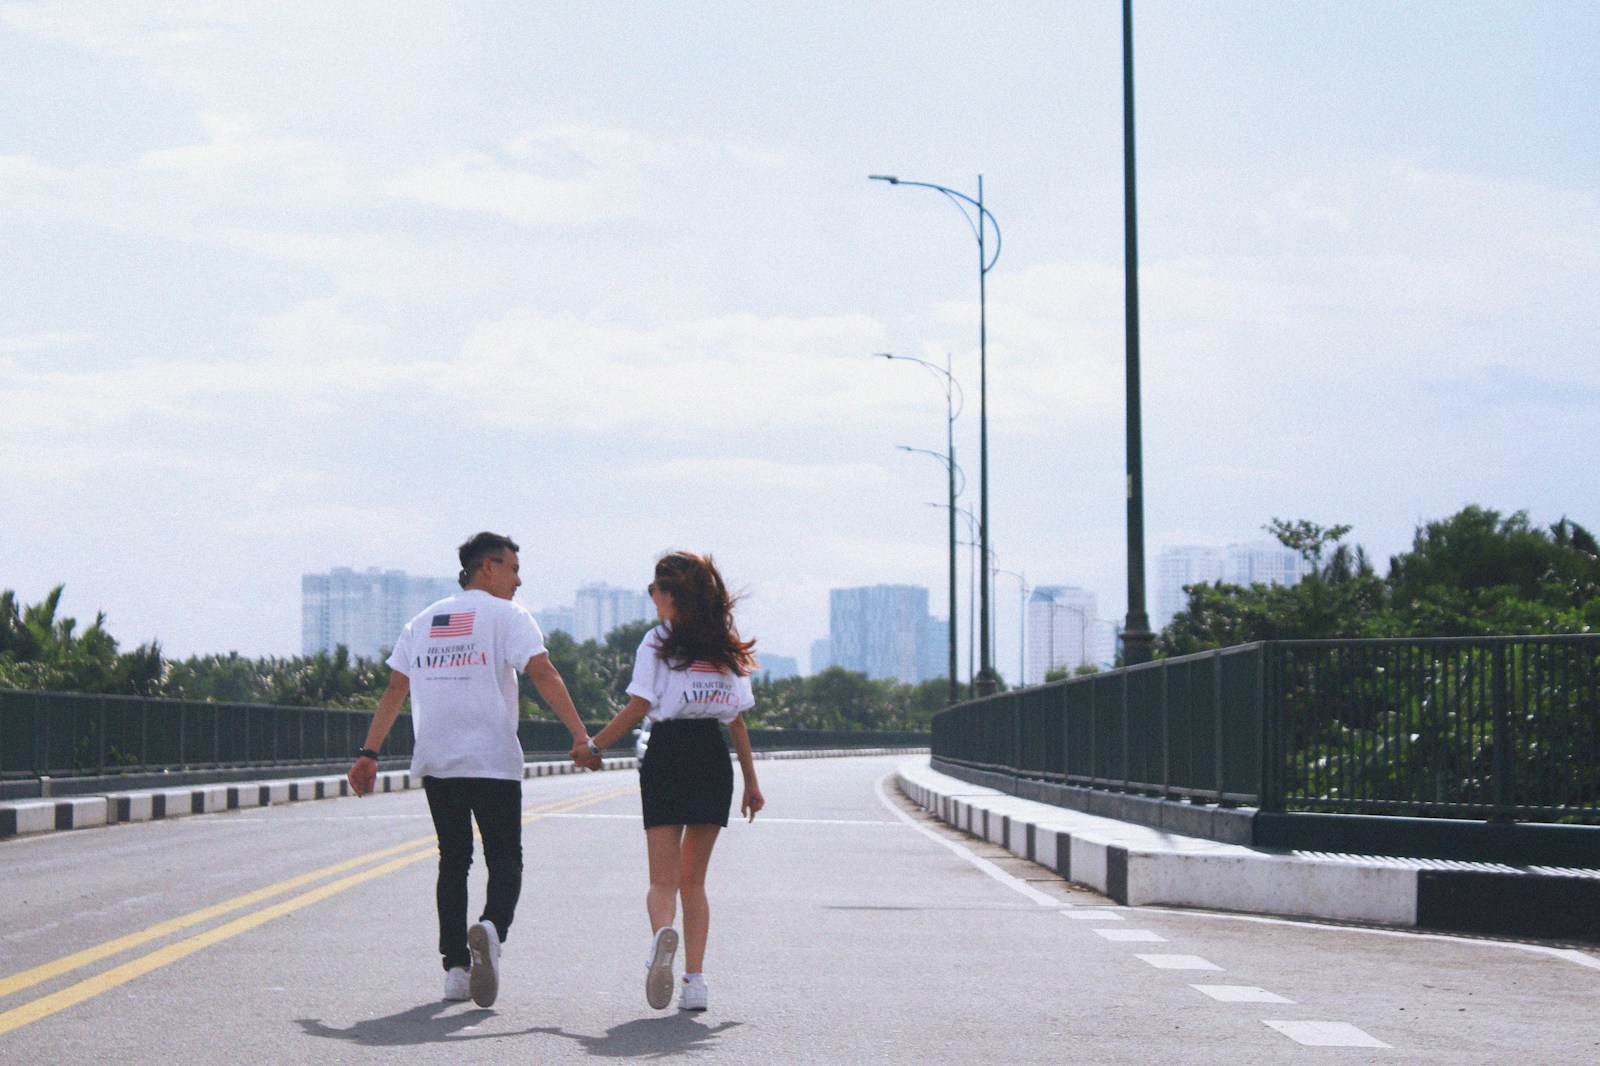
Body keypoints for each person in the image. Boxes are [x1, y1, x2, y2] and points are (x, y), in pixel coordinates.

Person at [348, 532, 592, 1008]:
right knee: (505, 860)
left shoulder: (424, 620)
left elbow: (396, 689)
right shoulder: (507, 616)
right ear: (488, 567)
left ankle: (456, 970)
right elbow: (542, 672)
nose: (519, 581)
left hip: (439, 760)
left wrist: (368, 753)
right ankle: (492, 931)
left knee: (453, 861)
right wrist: (580, 735)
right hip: (492, 760)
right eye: (513, 569)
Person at [577, 551, 764, 1013]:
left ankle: (663, 936)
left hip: (667, 754)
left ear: (670, 595)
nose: (652, 599)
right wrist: (752, 785)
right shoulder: (724, 643)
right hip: (711, 757)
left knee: (661, 881)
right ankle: (695, 982)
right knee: (693, 883)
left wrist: (594, 746)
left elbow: (639, 706)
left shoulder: (657, 641)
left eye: (654, 591)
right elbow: (737, 722)